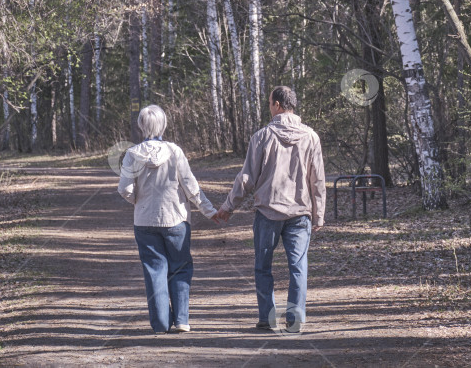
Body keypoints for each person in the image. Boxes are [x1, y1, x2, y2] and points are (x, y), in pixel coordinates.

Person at [216, 86, 326, 333]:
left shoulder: (262, 137)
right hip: (300, 213)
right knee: (298, 266)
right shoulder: (311, 136)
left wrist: (228, 207)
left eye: (269, 103)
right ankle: (295, 320)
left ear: (277, 105)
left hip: (267, 212)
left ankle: (267, 317)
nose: (269, 108)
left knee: (263, 266)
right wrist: (318, 214)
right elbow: (317, 179)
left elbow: (247, 178)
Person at [118, 105, 220, 334]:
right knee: (181, 268)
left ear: (141, 126)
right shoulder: (175, 152)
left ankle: (161, 324)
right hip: (176, 220)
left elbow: (124, 189)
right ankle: (182, 320)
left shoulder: (132, 154)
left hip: (144, 221)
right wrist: (210, 211)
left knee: (155, 271)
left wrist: (138, 200)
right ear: (163, 125)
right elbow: (191, 187)